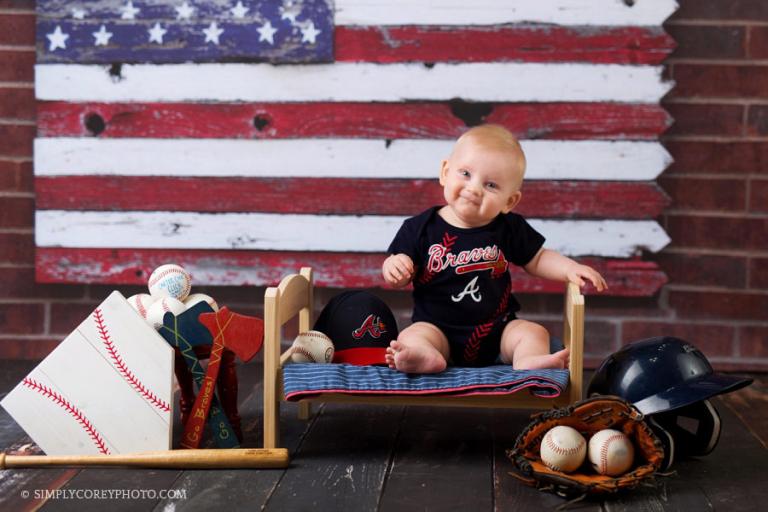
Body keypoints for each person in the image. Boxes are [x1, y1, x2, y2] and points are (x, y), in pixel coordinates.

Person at [382, 124, 607, 373]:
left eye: (491, 185)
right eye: (465, 173)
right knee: (412, 335)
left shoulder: (508, 228)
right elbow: (398, 266)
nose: (475, 188)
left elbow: (538, 258)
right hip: (436, 329)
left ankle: (528, 360)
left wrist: (570, 268)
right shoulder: (420, 228)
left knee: (533, 332)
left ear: (509, 201)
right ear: (445, 172)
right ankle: (426, 357)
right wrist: (395, 267)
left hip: (498, 330)